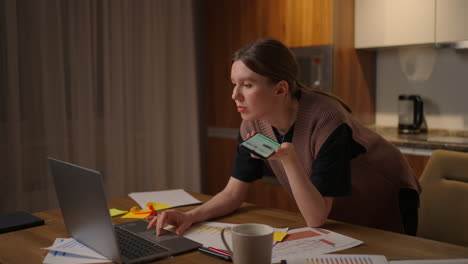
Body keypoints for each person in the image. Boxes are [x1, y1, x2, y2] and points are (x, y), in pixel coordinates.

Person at [147, 38, 421, 236]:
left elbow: (314, 218)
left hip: (386, 194)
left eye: (247, 85)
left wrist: (288, 159)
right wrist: (189, 216)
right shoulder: (251, 126)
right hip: (334, 209)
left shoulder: (327, 120)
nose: (235, 95)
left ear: (280, 89)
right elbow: (232, 194)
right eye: (234, 84)